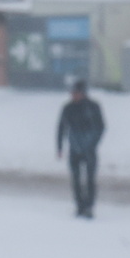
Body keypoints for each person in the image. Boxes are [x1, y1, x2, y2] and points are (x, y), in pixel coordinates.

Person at [56, 79, 105, 219]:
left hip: (89, 149)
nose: (74, 95)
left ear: (83, 93)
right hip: (74, 149)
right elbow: (61, 127)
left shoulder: (93, 107)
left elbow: (101, 127)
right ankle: (79, 206)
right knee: (76, 179)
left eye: (76, 93)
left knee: (90, 179)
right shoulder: (68, 108)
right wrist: (59, 146)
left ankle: (89, 206)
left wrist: (93, 143)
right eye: (72, 93)